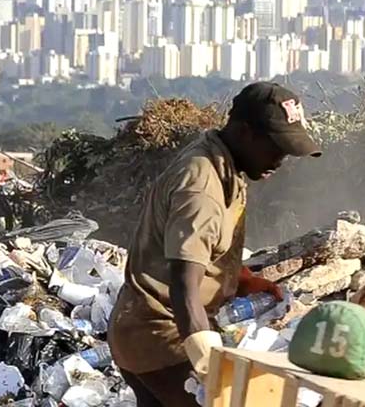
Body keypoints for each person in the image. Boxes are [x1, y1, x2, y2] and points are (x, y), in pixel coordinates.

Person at [108, 82, 321, 406]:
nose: (280, 160)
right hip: (162, 339)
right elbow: (183, 285)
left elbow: (197, 250)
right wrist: (207, 363)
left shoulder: (221, 162)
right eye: (276, 147)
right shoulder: (202, 185)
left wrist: (242, 280)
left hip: (137, 331)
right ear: (245, 131)